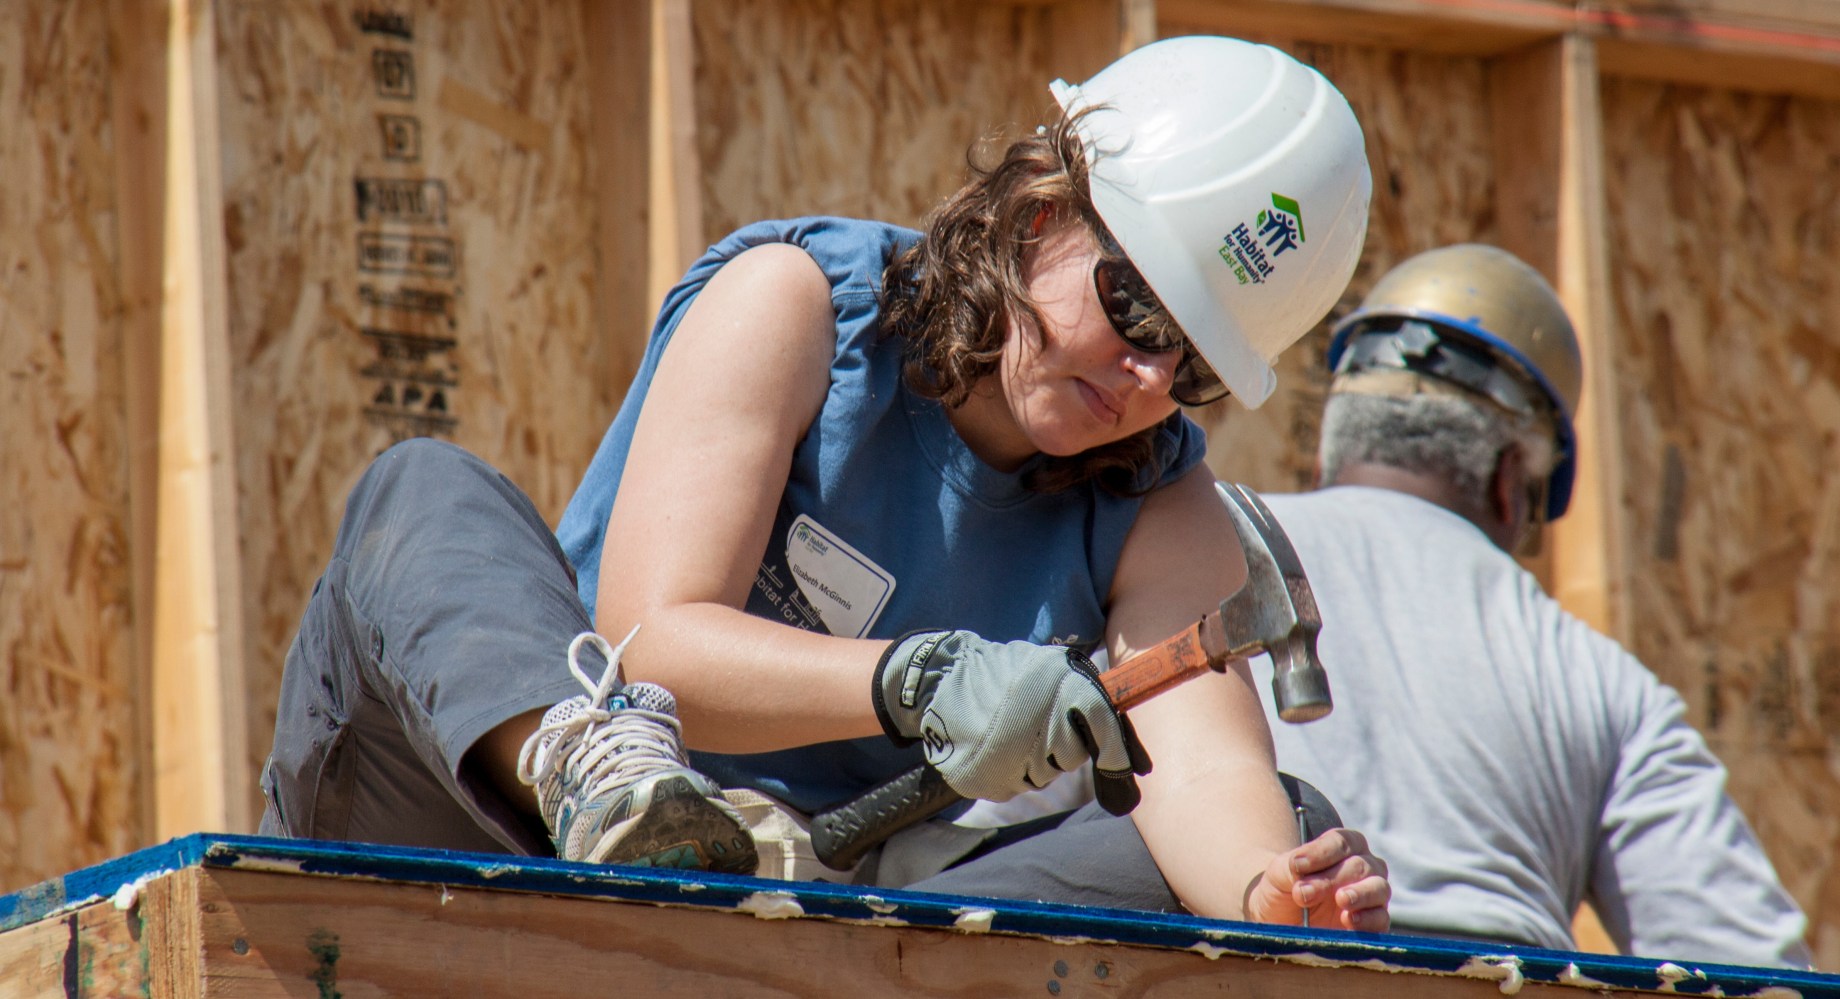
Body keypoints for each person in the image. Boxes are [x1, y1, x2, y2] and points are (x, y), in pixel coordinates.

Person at [259, 35, 1390, 930]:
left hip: (802, 897)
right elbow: (650, 642)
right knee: (422, 491)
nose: (1147, 377)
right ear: (1042, 218)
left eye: (1190, 364)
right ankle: (598, 781)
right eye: (1137, 309)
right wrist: (916, 681)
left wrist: (1266, 893)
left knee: (1286, 824)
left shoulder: (1157, 500)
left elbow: (1203, 773)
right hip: (504, 830)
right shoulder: (799, 305)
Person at [1247, 243, 1813, 965]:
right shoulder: (1604, 682)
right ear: (1513, 481)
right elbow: (1752, 970)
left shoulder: (1206, 551)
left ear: (1334, 437)